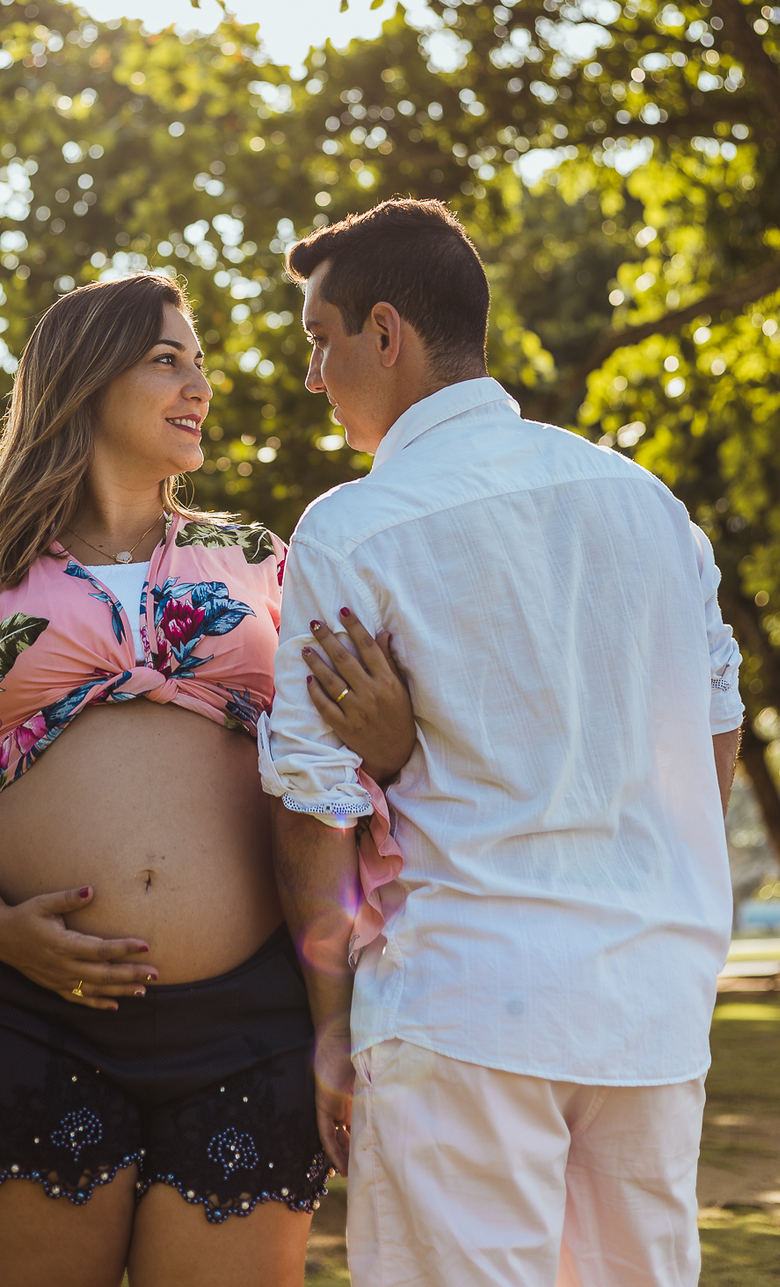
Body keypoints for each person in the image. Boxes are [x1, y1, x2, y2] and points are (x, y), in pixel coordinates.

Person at [0, 271, 412, 1287]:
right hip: (20, 1011)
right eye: (166, 360)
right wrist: (1, 930)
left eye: (199, 360)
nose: (201, 384)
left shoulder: (261, 561)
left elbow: (338, 763)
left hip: (249, 1021)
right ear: (89, 381)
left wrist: (394, 737)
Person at [258, 198, 746, 1287]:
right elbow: (716, 733)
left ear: (385, 334)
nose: (313, 377)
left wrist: (330, 1030)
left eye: (319, 340)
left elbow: (311, 800)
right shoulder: (650, 506)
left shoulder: (355, 525)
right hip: (651, 1005)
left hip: (461, 1000)